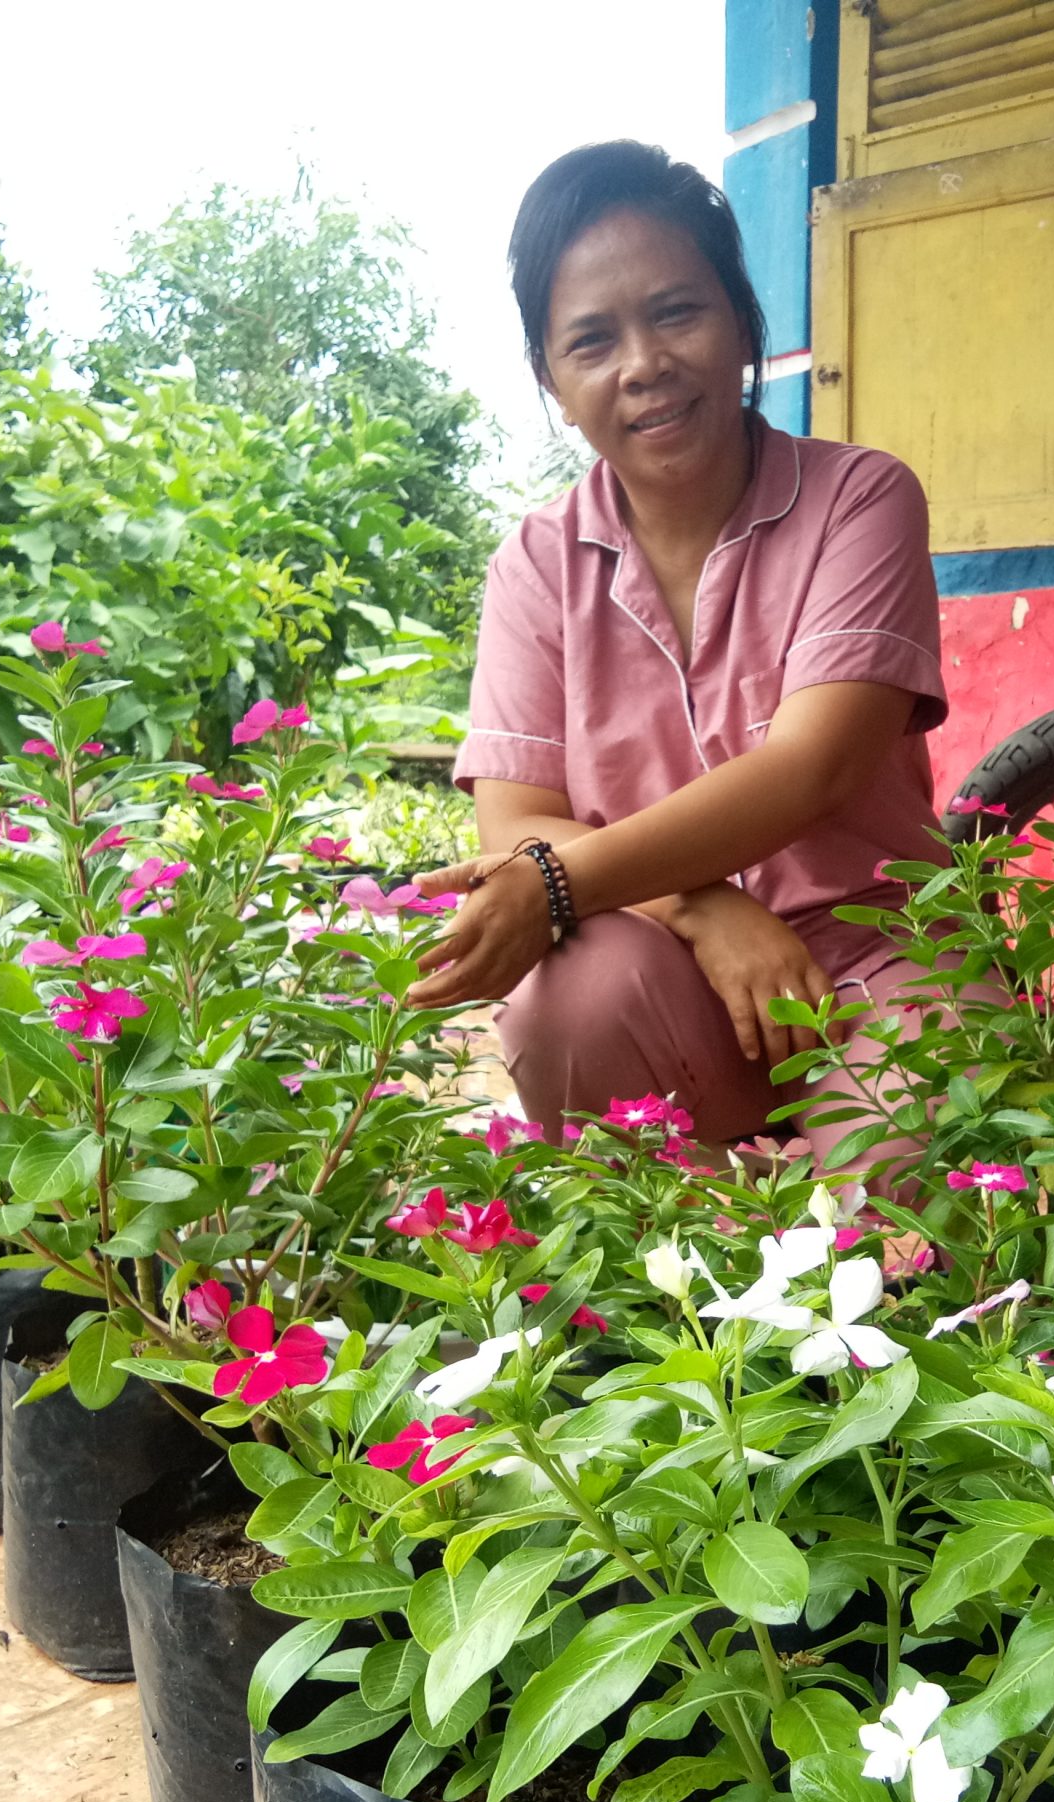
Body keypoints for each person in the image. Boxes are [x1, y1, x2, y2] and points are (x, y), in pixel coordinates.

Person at [407, 140, 949, 1167]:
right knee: (571, 995)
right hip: (668, 974)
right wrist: (702, 906)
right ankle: (681, 1280)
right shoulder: (535, 561)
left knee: (910, 1215)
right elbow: (516, 819)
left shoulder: (862, 499)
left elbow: (814, 766)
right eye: (591, 341)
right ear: (551, 382)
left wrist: (561, 881)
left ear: (743, 320)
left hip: (881, 956)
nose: (643, 365)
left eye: (675, 312)